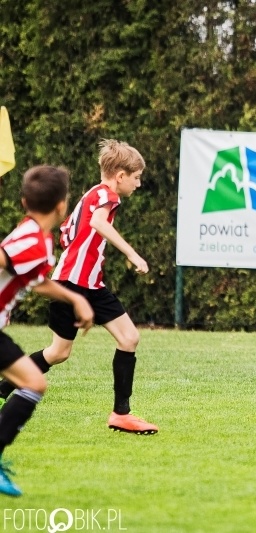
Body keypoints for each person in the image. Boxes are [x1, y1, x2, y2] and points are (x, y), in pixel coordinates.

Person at [0, 140, 158, 435]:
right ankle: (3, 389)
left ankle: (121, 414)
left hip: (90, 285)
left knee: (129, 338)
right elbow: (98, 222)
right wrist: (132, 253)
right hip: (72, 284)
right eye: (136, 177)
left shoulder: (91, 195)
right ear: (120, 175)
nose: (138, 183)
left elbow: (67, 233)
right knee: (59, 353)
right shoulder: (106, 196)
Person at [0, 165, 94, 495]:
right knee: (33, 383)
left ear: (25, 202)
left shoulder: (38, 238)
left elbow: (36, 282)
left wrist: (74, 299)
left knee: (34, 383)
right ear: (62, 205)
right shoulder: (31, 241)